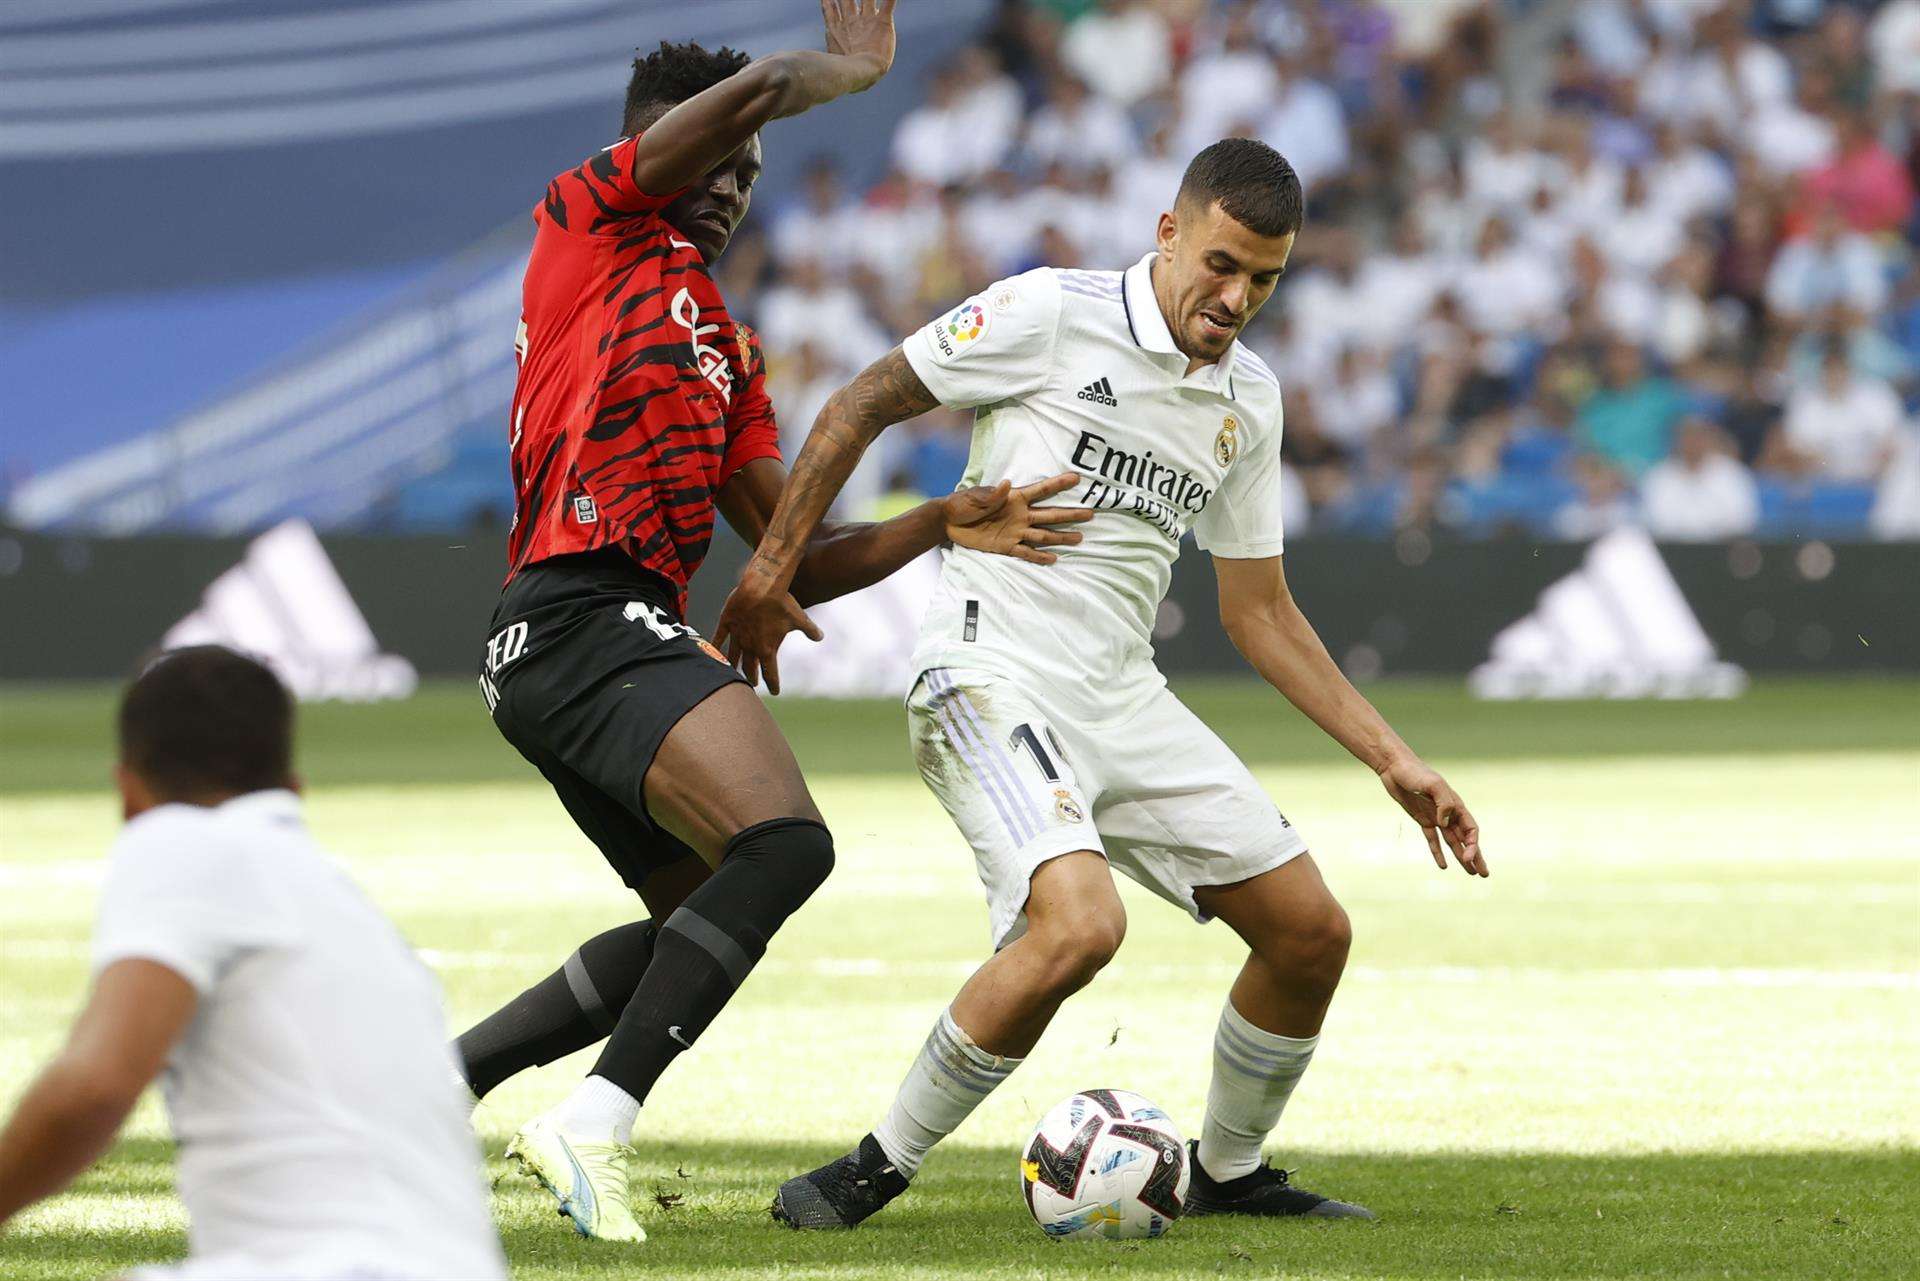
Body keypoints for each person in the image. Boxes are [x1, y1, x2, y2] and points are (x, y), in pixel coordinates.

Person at [717, 139, 1487, 1230]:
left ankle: (1227, 1171)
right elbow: (858, 404)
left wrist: (1395, 761)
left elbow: (1258, 613)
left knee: (1312, 933)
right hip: (989, 670)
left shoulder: (1248, 402)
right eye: (1222, 264)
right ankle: (871, 1170)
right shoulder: (1048, 312)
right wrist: (768, 569)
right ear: (1168, 232)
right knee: (1081, 926)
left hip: (1122, 695)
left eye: (1264, 280)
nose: (1236, 298)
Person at [456, 4, 1091, 1244]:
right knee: (787, 846)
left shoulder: (727, 352)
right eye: (719, 159)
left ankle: (442, 1090)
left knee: (693, 914)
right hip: (581, 612)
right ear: (661, 149)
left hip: (570, 641)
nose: (736, 184)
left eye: (750, 175)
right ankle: (594, 1123)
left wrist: (939, 522)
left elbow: (795, 554)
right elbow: (749, 97)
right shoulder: (587, 225)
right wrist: (845, 73)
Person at [0, 647, 506, 1280]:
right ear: (293, 789)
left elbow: (96, 1085)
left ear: (127, 792)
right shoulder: (348, 908)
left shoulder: (183, 840)